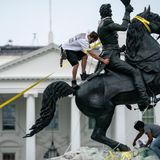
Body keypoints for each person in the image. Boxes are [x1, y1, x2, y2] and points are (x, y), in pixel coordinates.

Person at [93, 3, 150, 107]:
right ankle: (144, 99)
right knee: (135, 71)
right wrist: (127, 12)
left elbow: (108, 44)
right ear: (108, 12)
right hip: (111, 58)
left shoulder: (101, 24)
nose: (111, 12)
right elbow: (124, 27)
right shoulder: (107, 23)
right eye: (110, 10)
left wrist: (119, 49)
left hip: (110, 54)